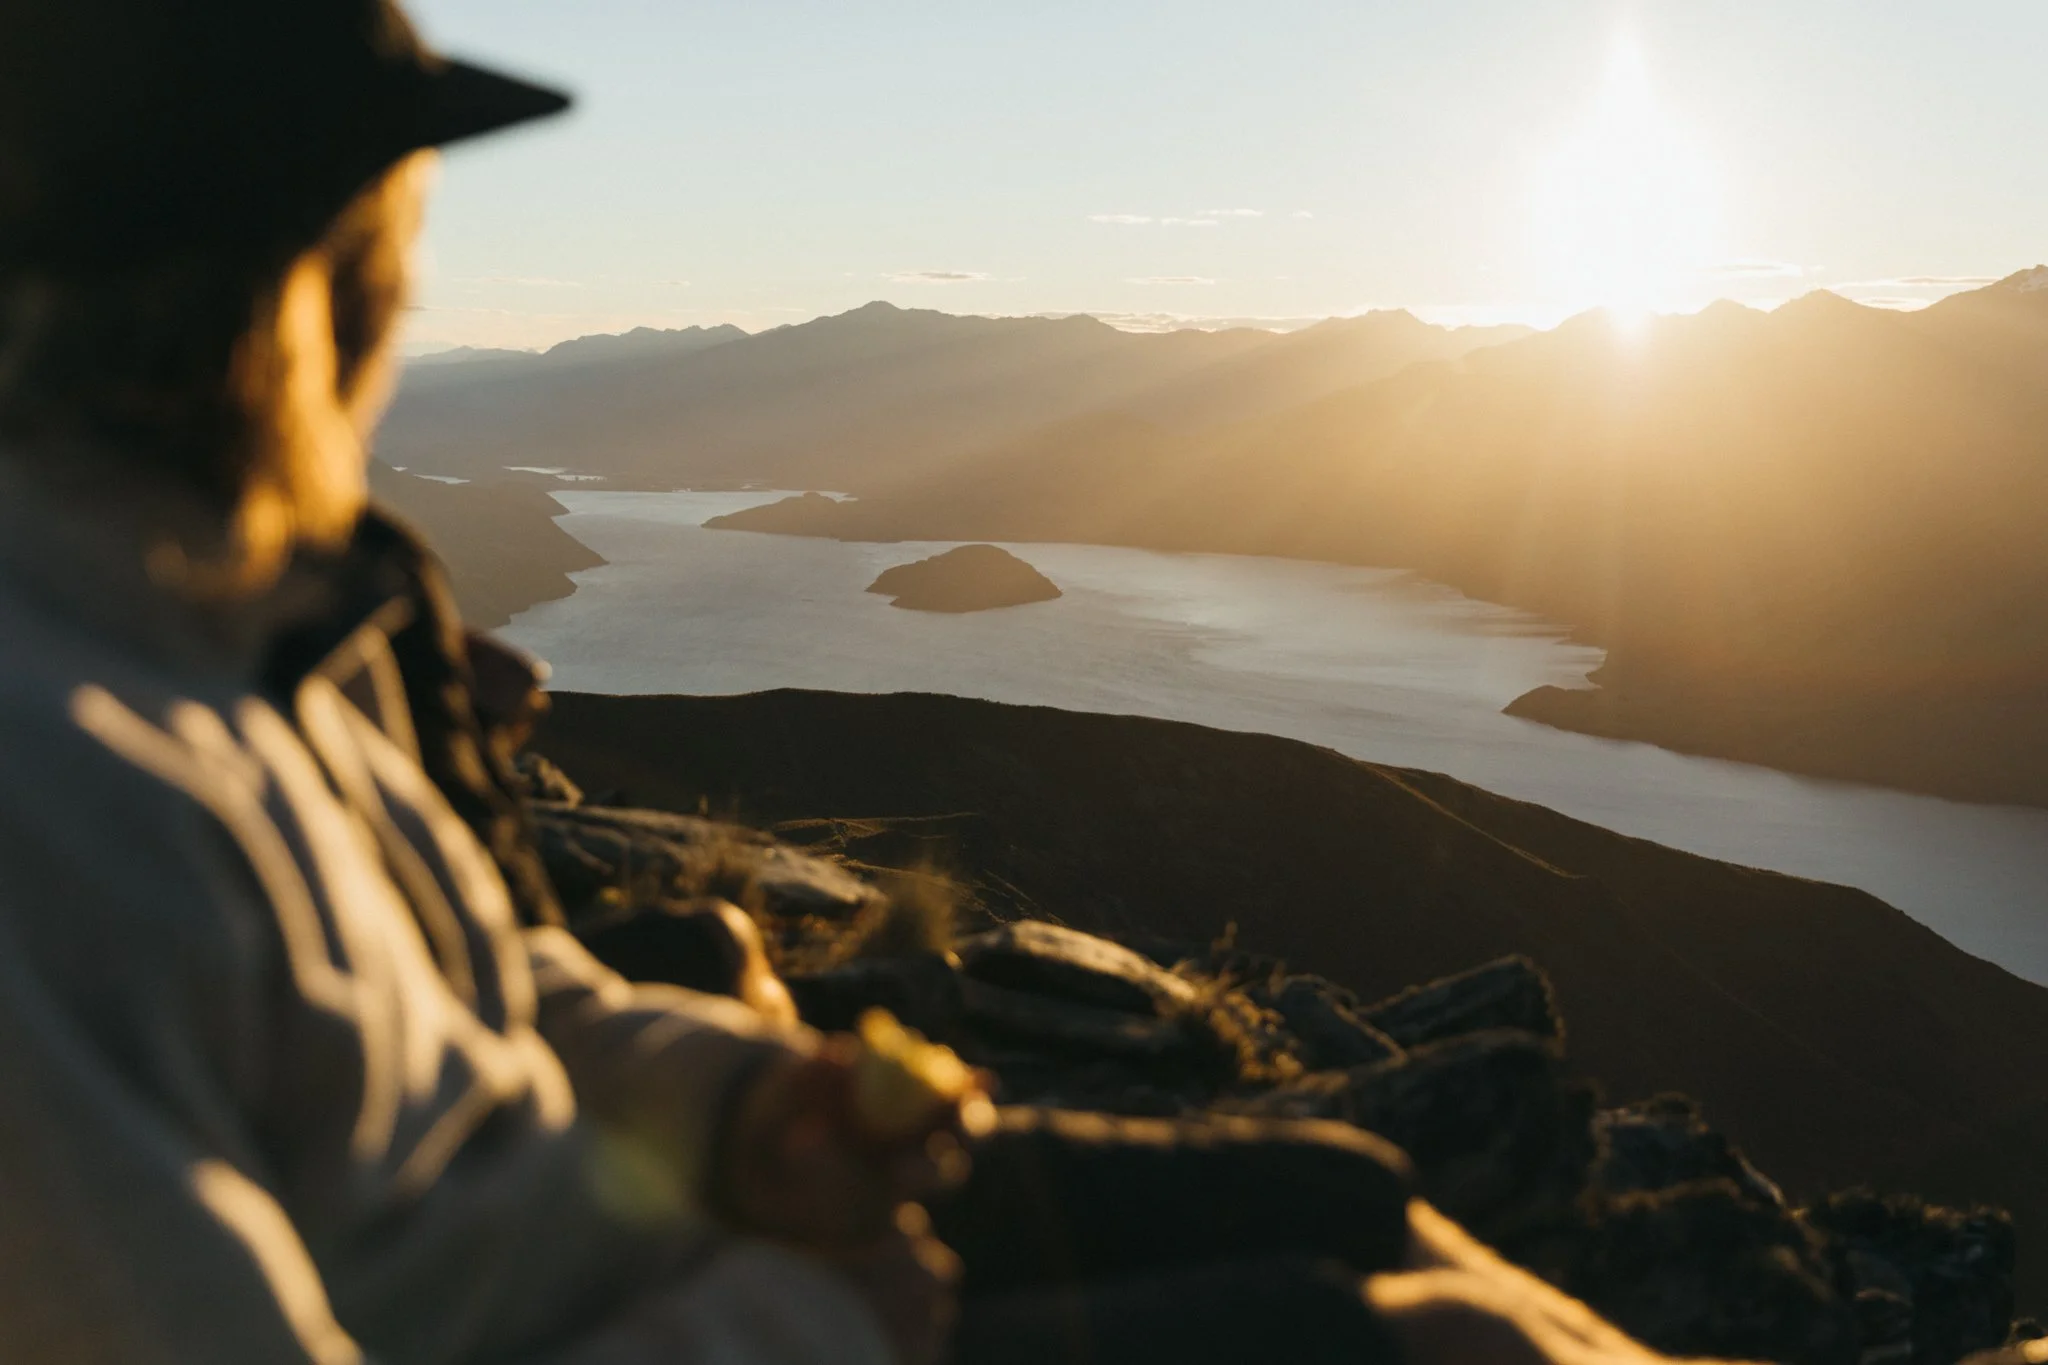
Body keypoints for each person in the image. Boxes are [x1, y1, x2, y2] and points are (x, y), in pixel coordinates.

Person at [0, 3, 1749, 1362]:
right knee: (1412, 1346)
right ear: (308, 287)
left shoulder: (232, 638)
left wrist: (742, 1106)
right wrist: (819, 1322)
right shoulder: (60, 790)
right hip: (689, 1320)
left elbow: (492, 1003)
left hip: (679, 1255)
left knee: (1344, 1193)